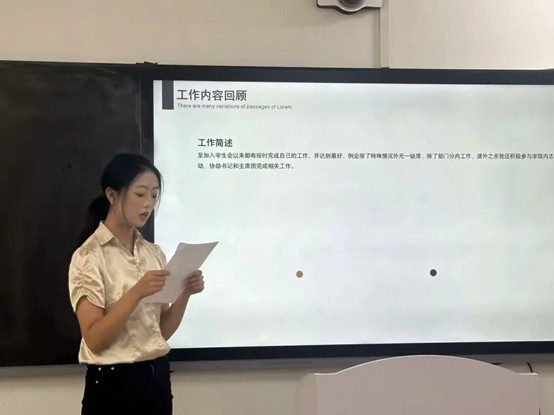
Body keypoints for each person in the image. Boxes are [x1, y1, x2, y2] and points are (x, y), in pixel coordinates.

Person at [68, 153, 204, 415]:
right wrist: (136, 293)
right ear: (112, 195)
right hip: (112, 388)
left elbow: (160, 332)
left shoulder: (153, 253)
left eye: (154, 195)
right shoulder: (89, 256)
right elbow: (94, 340)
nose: (148, 204)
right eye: (140, 194)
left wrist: (185, 293)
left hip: (156, 380)